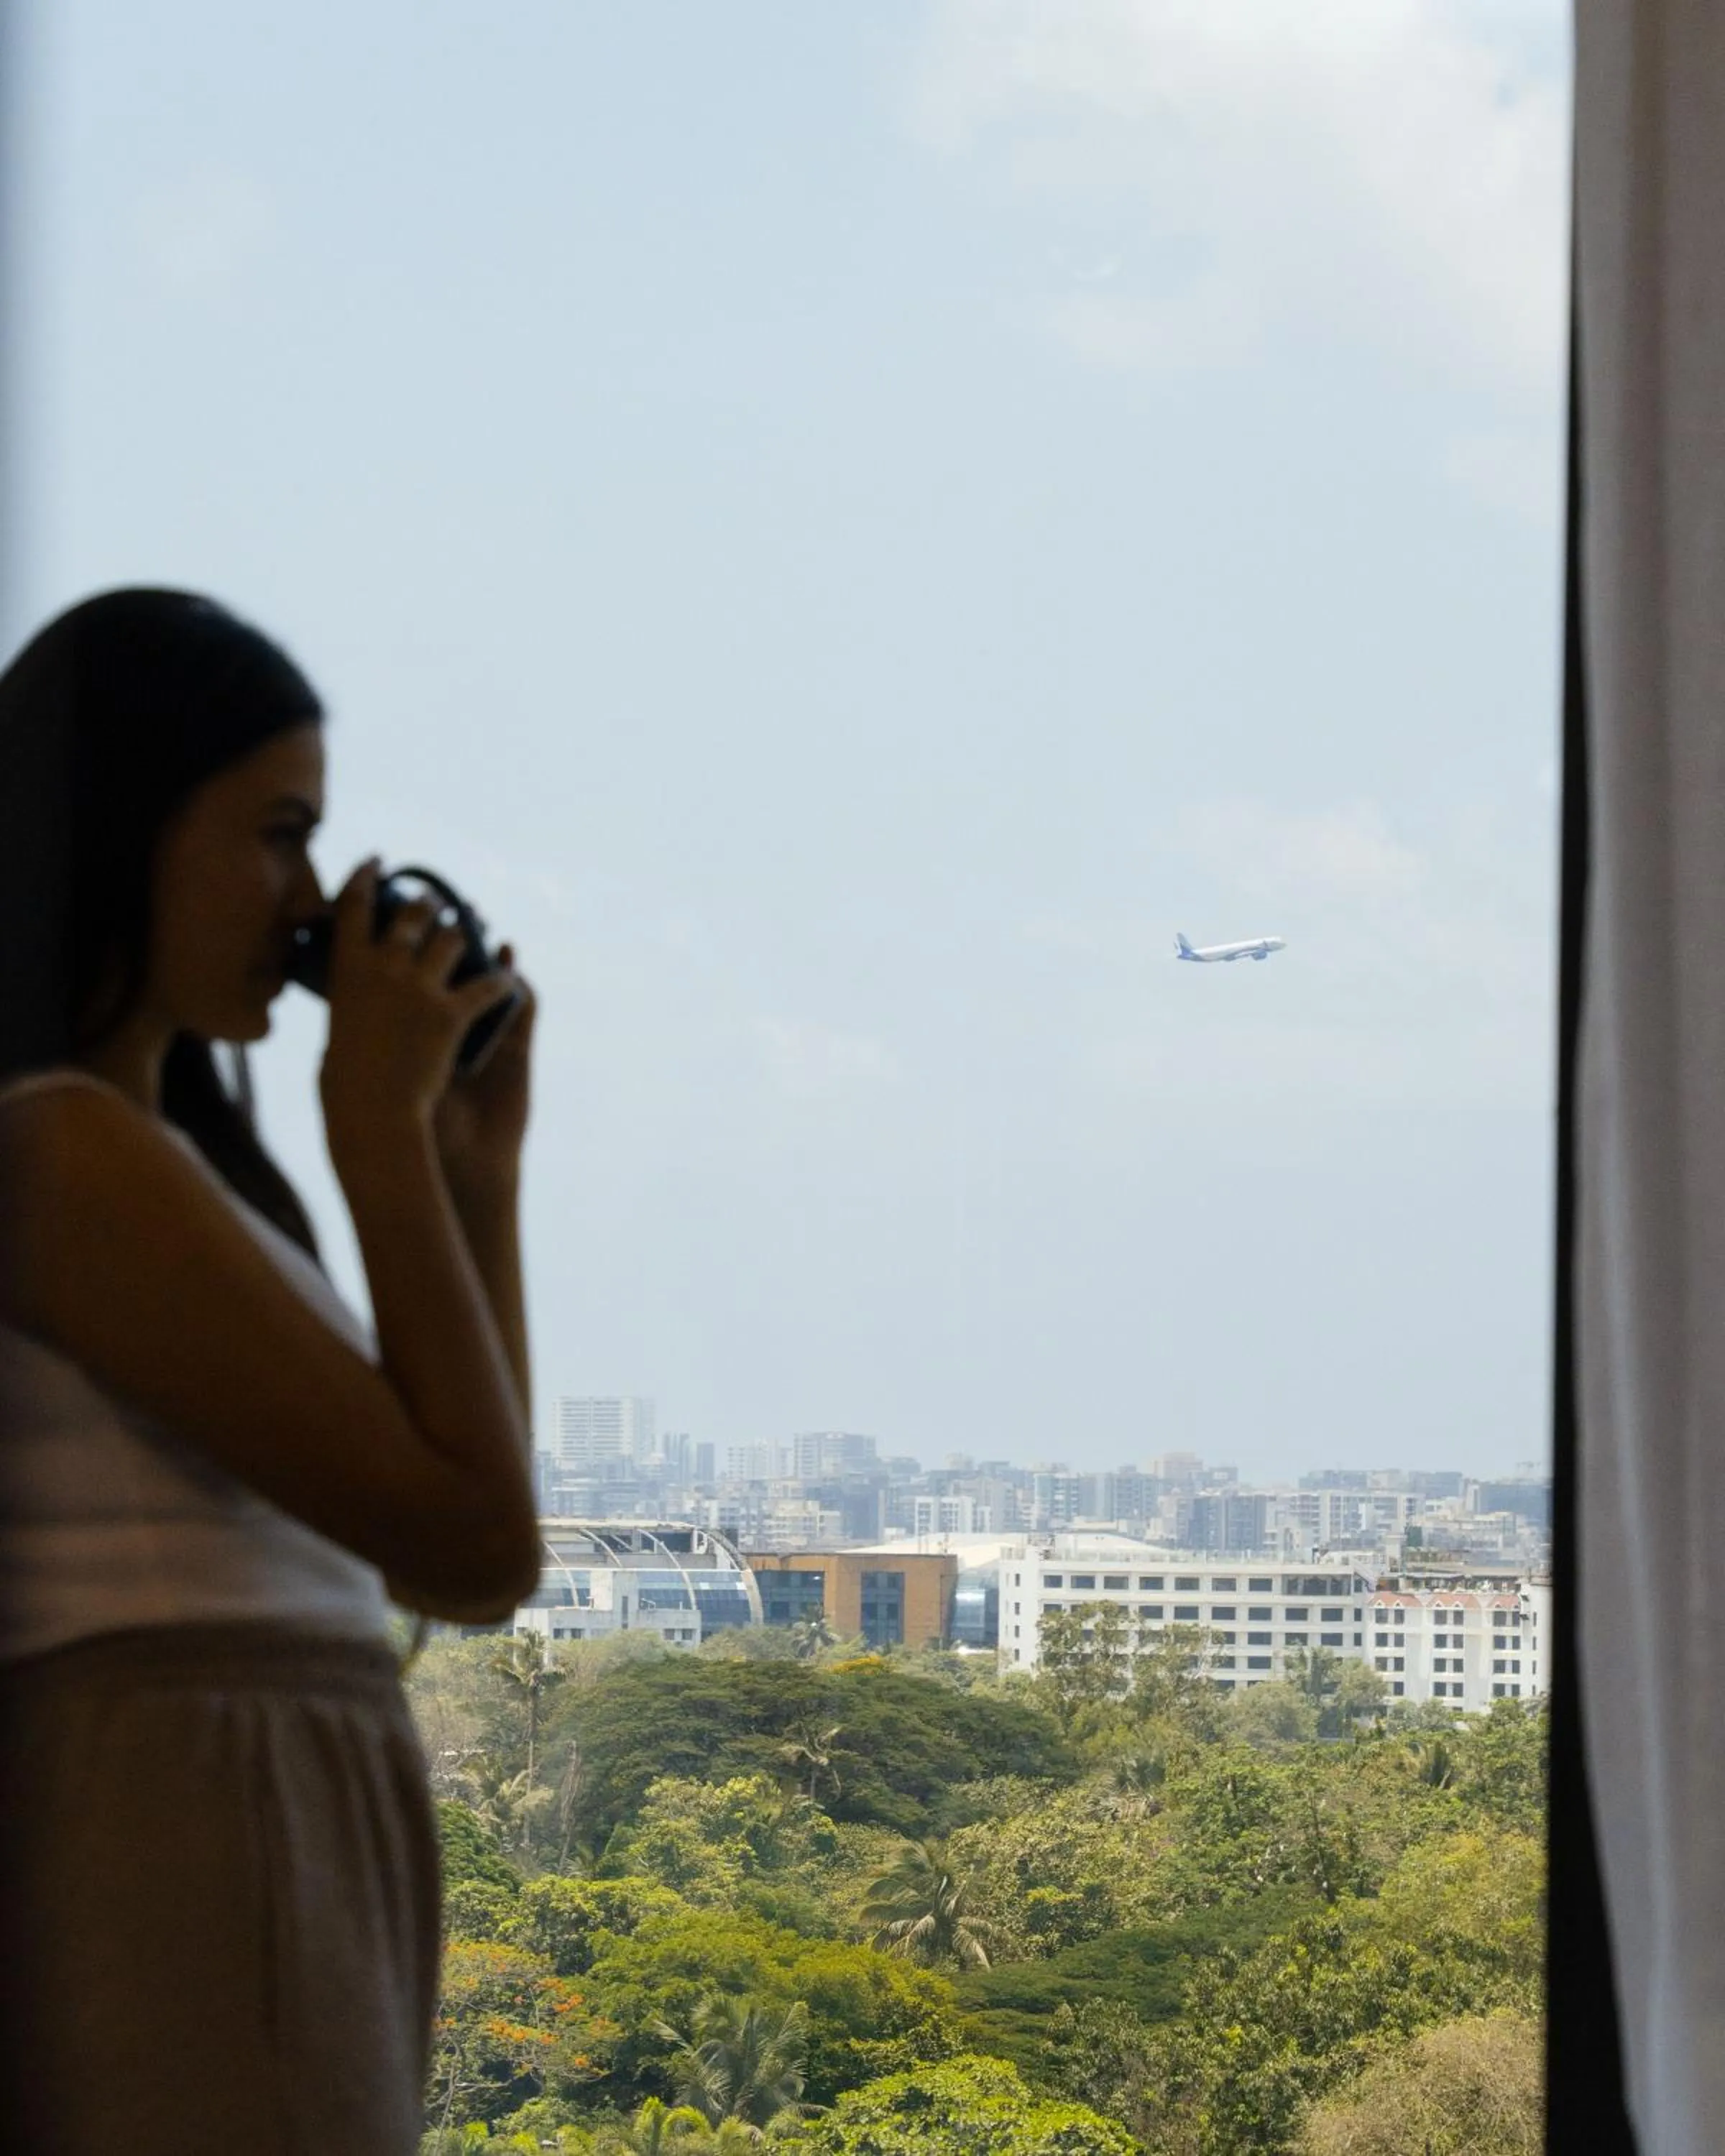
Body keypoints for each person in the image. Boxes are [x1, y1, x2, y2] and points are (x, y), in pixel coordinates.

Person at [0, 588, 542, 2151]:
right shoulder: (58, 1149)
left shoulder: (157, 1162)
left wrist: (463, 1174)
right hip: (185, 1836)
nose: (308, 897)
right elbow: (477, 1539)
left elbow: (459, 1539)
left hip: (254, 1838)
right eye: (276, 833)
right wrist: (371, 1129)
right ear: (119, 822)